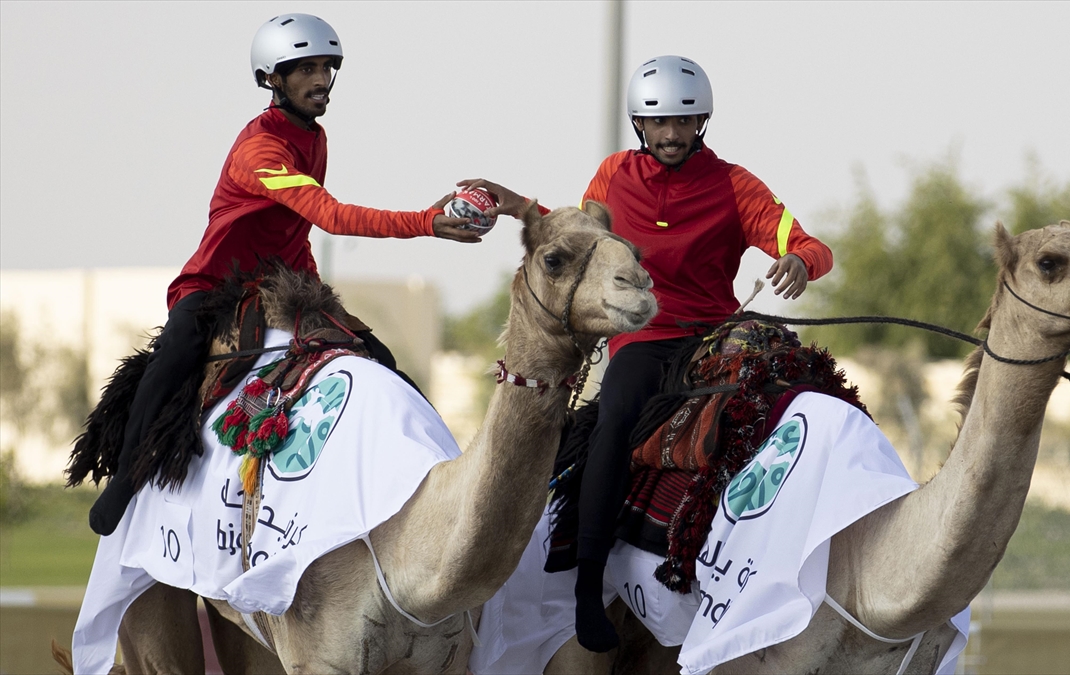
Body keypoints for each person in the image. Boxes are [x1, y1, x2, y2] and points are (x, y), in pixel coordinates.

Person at [88, 13, 525, 536]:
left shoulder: (314, 136)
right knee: (176, 351)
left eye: (326, 68)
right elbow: (332, 216)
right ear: (272, 78)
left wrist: (322, 297)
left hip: (287, 285)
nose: (320, 81)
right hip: (215, 288)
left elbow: (294, 234)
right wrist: (426, 223)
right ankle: (125, 482)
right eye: (305, 70)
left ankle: (432, 482)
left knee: (378, 358)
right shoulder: (258, 149)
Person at [510, 54, 834, 652]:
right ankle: (587, 586)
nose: (670, 135)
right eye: (657, 123)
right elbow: (579, 240)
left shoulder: (736, 185)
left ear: (702, 122)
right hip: (644, 337)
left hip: (715, 337)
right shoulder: (611, 174)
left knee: (788, 406)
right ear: (639, 125)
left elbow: (810, 244)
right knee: (613, 424)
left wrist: (798, 261)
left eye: (684, 123)